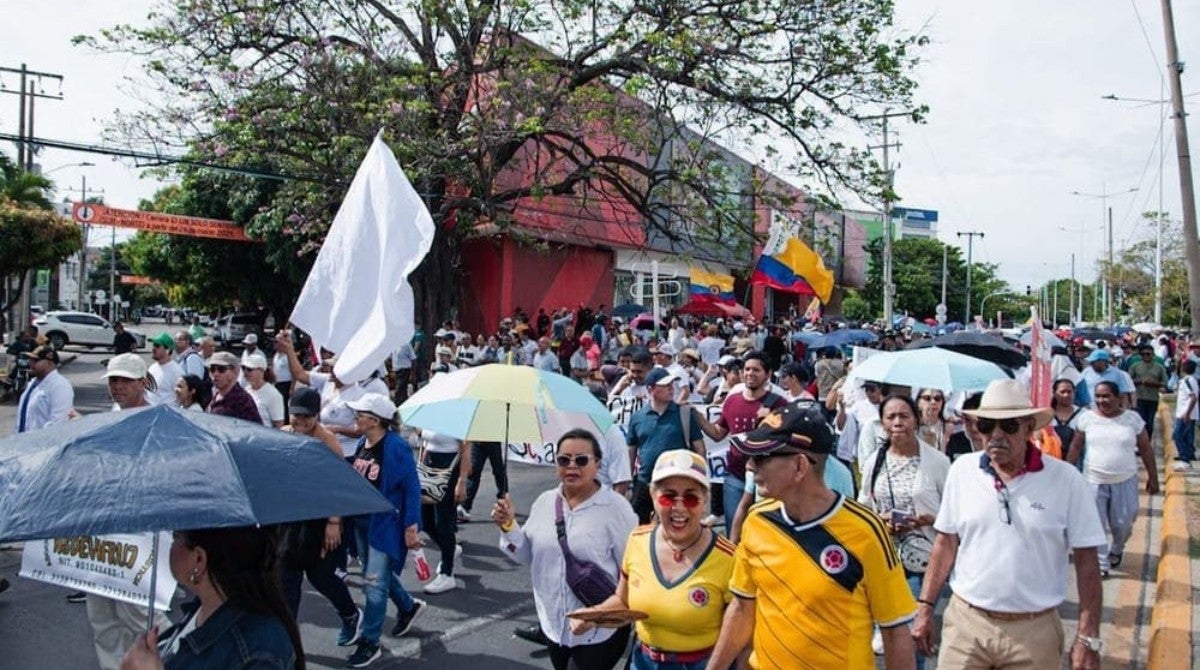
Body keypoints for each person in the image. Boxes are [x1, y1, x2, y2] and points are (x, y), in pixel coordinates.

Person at [912, 379, 1106, 670]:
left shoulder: (1067, 480)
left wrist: (1087, 636)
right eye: (987, 426)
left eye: (1009, 426)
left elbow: (1087, 561)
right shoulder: (962, 471)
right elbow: (945, 543)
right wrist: (925, 607)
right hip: (966, 625)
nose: (996, 436)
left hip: (1034, 631)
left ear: (1029, 427)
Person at [707, 403, 918, 669]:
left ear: (799, 466)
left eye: (761, 457)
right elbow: (742, 607)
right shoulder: (757, 521)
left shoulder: (866, 531)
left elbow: (895, 630)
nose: (750, 466)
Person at [569, 450, 735, 670]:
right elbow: (623, 600)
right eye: (668, 496)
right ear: (653, 495)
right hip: (643, 661)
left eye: (691, 498)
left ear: (705, 501)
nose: (679, 507)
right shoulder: (638, 540)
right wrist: (593, 615)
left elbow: (739, 632)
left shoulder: (728, 558)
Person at [492, 429, 638, 669]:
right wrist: (508, 525)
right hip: (555, 625)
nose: (572, 466)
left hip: (600, 630)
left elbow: (633, 570)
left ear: (597, 464)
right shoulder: (544, 502)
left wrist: (604, 612)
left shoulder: (616, 509)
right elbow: (526, 554)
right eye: (564, 459)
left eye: (581, 460)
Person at [118, 525, 304, 670]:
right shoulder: (203, 610)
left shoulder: (260, 648)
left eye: (176, 536)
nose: (171, 545)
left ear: (198, 559)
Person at [87, 354, 172, 669]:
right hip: (103, 526)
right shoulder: (111, 415)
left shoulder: (157, 421)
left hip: (139, 531)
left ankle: (173, 659)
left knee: (141, 614)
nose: (118, 386)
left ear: (142, 383)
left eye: (125, 380)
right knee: (102, 614)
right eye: (113, 380)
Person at [858, 395, 950, 668]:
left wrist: (928, 519)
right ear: (883, 423)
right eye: (891, 417)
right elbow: (863, 507)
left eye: (904, 416)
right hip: (884, 559)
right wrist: (882, 520)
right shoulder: (875, 461)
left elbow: (954, 515)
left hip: (922, 561)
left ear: (916, 420)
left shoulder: (937, 462)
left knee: (912, 633)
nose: (897, 422)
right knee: (891, 634)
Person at [343, 393, 427, 667]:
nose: (356, 418)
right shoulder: (362, 442)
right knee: (376, 574)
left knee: (374, 584)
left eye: (360, 414)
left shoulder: (395, 447)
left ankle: (370, 641)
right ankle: (407, 606)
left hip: (384, 524)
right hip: (362, 522)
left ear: (375, 420)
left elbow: (411, 488)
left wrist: (411, 526)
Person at [277, 388, 363, 650]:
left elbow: (339, 485)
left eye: (307, 416)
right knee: (287, 576)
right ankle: (288, 642)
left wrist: (333, 523)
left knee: (321, 576)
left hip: (321, 517)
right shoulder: (284, 434)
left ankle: (350, 614)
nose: (301, 421)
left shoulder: (328, 443)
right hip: (291, 516)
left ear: (317, 416)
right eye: (297, 415)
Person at [1066, 380, 1160, 577]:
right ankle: (1101, 564)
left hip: (1125, 480)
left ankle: (1117, 549)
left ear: (1119, 398)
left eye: (1107, 396)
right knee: (1096, 525)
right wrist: (1066, 472)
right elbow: (1076, 446)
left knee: (1123, 524)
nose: (1102, 400)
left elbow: (1145, 449)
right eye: (1098, 396)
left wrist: (1153, 477)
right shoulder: (1086, 418)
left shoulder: (1132, 419)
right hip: (1093, 481)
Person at [695, 351, 790, 526]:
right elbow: (718, 433)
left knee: (765, 529)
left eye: (756, 370)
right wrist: (697, 416)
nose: (750, 373)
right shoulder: (732, 400)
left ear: (768, 374)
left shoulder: (780, 404)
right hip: (735, 476)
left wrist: (769, 423)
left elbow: (787, 442)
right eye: (747, 369)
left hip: (767, 479)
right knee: (734, 527)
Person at [625, 368, 706, 523]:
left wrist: (701, 477)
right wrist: (628, 479)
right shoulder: (637, 417)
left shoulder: (684, 413)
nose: (671, 388)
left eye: (672, 384)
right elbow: (631, 449)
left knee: (676, 524)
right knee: (637, 525)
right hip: (645, 482)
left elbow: (700, 448)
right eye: (665, 385)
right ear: (651, 389)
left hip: (676, 484)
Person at [417, 431, 471, 594]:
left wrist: (462, 481)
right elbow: (427, 443)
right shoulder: (430, 416)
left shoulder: (459, 418)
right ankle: (451, 549)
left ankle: (447, 574)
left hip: (449, 466)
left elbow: (466, 449)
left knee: (443, 522)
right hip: (429, 465)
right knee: (425, 520)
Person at [13, 344, 74, 434]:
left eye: (36, 360)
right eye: (30, 359)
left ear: (50, 363)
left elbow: (59, 422)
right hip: (23, 440)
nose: (30, 363)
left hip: (42, 441)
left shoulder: (60, 386)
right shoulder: (33, 383)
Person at [205, 351, 263, 424]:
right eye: (212, 369)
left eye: (221, 369)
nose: (215, 374)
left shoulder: (242, 401)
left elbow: (256, 428)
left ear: (235, 371)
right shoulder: (216, 395)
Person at [459, 439, 509, 524]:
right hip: (476, 439)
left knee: (498, 471)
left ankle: (503, 501)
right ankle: (465, 506)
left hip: (492, 439)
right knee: (474, 472)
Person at [1127, 343, 1168, 437]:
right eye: (1143, 354)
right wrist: (1140, 381)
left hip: (1153, 398)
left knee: (1149, 423)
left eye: (1148, 354)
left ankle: (1148, 441)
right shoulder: (1135, 366)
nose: (1146, 356)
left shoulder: (1159, 367)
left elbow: (1165, 382)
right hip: (1139, 398)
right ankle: (1139, 442)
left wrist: (1154, 383)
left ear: (1153, 354)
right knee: (1140, 422)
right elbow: (1128, 381)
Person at [243, 353, 285, 428]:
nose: (245, 372)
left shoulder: (273, 394)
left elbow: (278, 424)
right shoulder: (246, 390)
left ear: (261, 371)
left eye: (249, 369)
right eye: (244, 368)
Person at [1172, 359, 1198, 471]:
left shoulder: (1187, 381)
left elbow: (1193, 398)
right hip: (1185, 413)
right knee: (1186, 436)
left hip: (1185, 413)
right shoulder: (1190, 380)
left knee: (1177, 435)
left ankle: (1184, 460)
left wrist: (1187, 413)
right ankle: (1187, 455)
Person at [148, 333, 185, 407]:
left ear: (167, 350)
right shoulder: (152, 368)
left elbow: (183, 397)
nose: (153, 349)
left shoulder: (177, 371)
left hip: (166, 412)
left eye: (157, 346)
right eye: (153, 345)